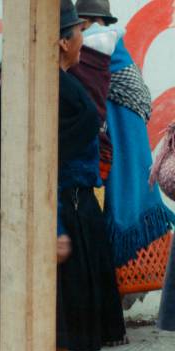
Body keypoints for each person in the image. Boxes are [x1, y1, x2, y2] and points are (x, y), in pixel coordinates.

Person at [0, 0, 125, 351]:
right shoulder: (53, 91)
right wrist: (52, 228)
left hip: (54, 212)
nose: (81, 44)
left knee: (46, 316)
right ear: (61, 41)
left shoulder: (35, 85)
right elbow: (38, 162)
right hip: (60, 213)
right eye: (77, 35)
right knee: (55, 316)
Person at [76, 0, 175, 297]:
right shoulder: (123, 60)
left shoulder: (97, 51)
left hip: (110, 156)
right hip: (125, 153)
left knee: (106, 220)